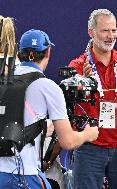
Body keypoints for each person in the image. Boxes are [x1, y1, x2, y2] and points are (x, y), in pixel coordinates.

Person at [0, 29, 99, 189]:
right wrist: (88, 134)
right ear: (48, 52)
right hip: (24, 174)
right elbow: (68, 141)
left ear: (20, 52)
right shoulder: (48, 87)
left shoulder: (3, 79)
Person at [68, 9, 117, 189]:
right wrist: (83, 84)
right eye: (105, 31)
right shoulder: (78, 66)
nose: (111, 36)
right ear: (91, 32)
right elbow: (71, 110)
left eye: (114, 31)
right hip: (89, 148)